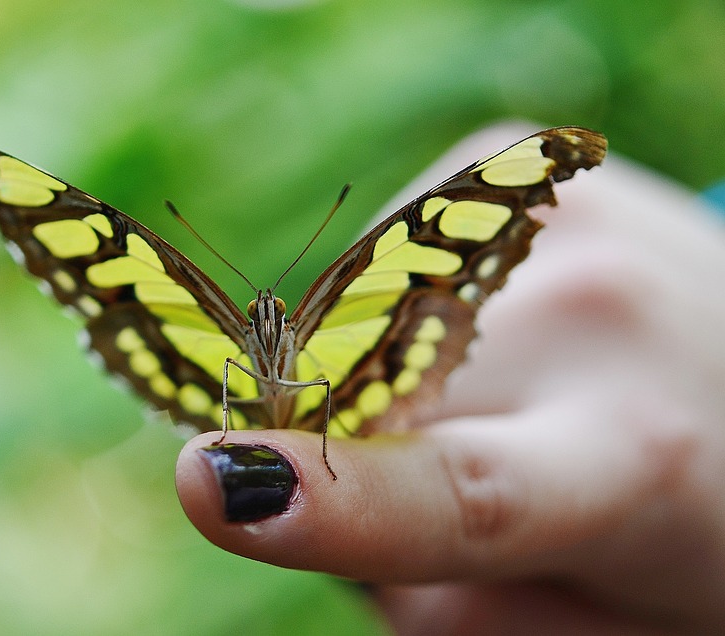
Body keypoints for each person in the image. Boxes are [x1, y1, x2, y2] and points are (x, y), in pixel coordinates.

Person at [174, 123, 725, 634]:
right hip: (228, 395)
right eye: (256, 315)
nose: (271, 327)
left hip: (350, 387)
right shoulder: (234, 354)